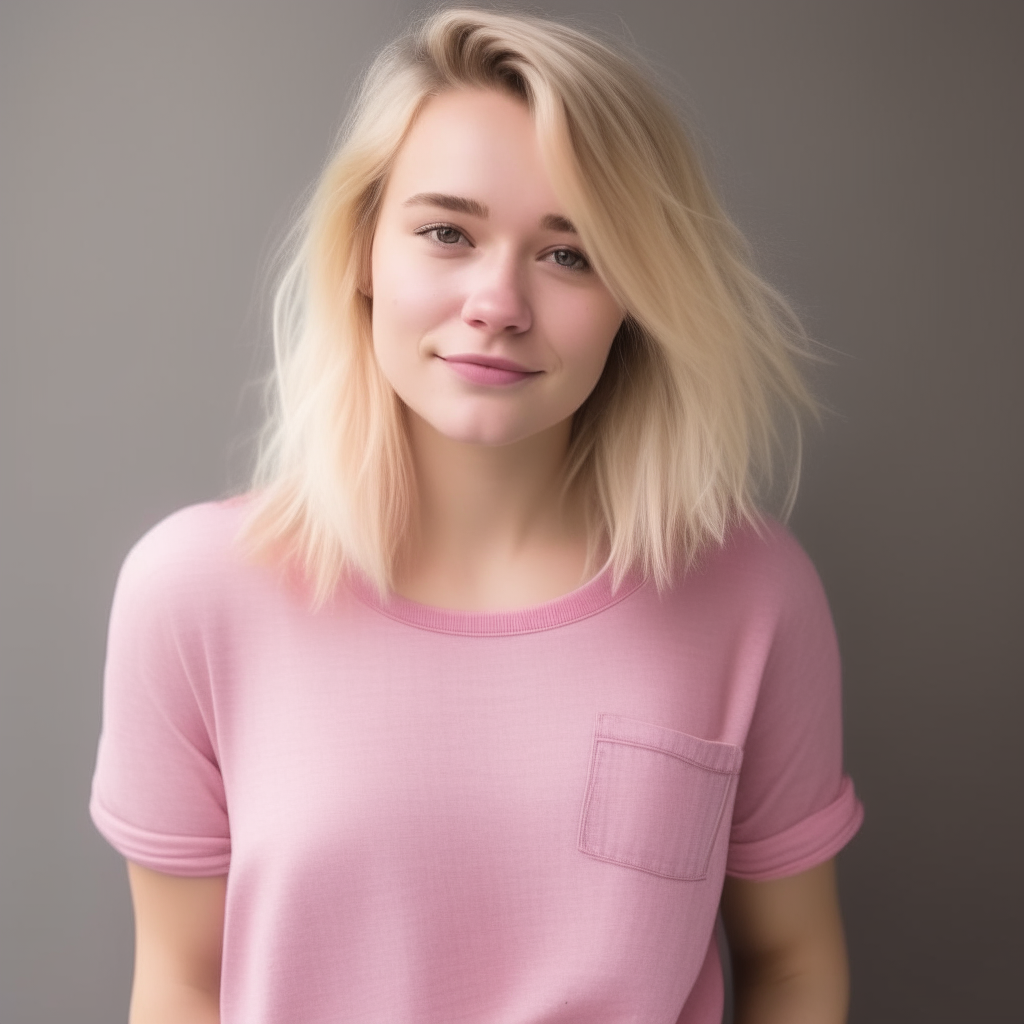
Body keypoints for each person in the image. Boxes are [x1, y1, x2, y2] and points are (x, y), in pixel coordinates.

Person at [90, 7, 863, 1023]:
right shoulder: (192, 591)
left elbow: (794, 962)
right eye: (446, 232)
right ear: (364, 250)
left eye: (570, 253)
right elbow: (182, 982)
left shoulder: (750, 591)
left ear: (636, 293)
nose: (497, 300)